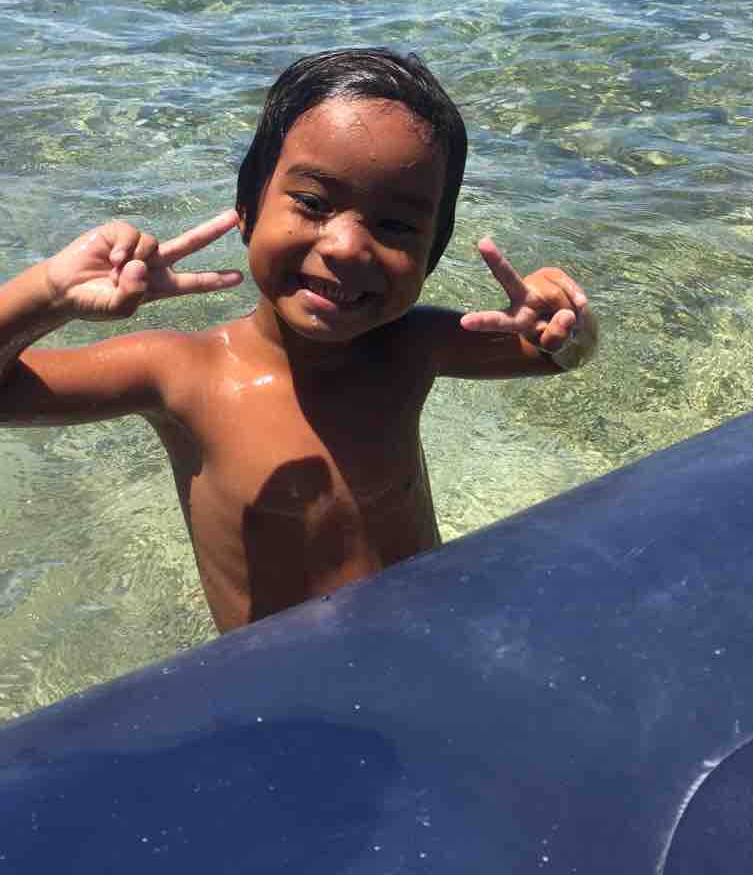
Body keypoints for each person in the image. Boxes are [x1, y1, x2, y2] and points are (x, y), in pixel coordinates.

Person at [0, 48, 597, 633]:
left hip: (427, 644)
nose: (347, 247)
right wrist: (48, 293)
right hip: (278, 681)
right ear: (247, 209)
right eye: (313, 203)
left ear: (431, 253)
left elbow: (561, 358)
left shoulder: (413, 346)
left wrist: (565, 324)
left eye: (395, 225)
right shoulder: (181, 372)